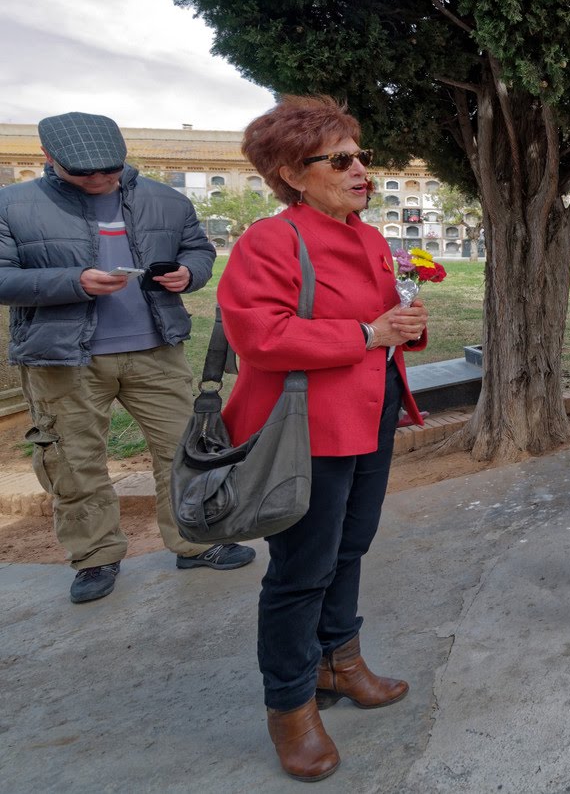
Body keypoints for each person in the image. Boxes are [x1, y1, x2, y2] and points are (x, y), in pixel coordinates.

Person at [221, 97, 430, 781]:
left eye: (361, 154)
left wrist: (404, 323)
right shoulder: (270, 241)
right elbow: (261, 335)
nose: (361, 168)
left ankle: (340, 659)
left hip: (370, 413)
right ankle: (290, 704)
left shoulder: (370, 236)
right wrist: (367, 335)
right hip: (305, 429)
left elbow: (381, 319)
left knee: (352, 544)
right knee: (300, 568)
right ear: (292, 171)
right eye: (341, 159)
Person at [1, 112, 247, 607]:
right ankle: (95, 557)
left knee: (185, 450)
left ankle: (194, 541)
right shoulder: (12, 204)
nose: (99, 180)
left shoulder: (166, 199)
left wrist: (188, 273)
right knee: (73, 461)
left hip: (156, 350)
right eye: (83, 173)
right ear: (50, 160)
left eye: (110, 170)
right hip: (62, 358)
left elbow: (199, 250)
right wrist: (73, 283)